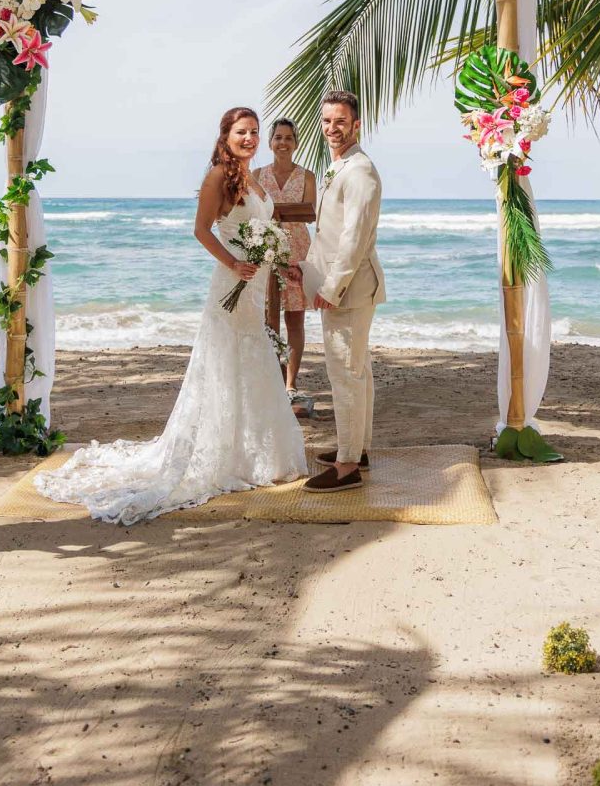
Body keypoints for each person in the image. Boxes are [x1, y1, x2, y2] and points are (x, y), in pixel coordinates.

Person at [34, 107, 307, 524]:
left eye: (254, 132)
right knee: (226, 361)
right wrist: (235, 263)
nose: (249, 138)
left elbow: (263, 229)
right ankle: (223, 452)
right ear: (226, 135)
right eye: (241, 132)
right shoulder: (218, 175)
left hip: (254, 286)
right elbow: (201, 229)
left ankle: (257, 451)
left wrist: (275, 258)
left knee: (254, 360)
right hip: (232, 282)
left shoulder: (252, 178)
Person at [290, 90, 385, 493]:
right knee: (357, 371)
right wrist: (306, 271)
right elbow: (327, 234)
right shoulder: (340, 166)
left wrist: (331, 287)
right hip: (340, 285)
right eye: (327, 121)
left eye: (340, 121)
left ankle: (347, 468)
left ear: (356, 123)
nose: (332, 128)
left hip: (349, 290)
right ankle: (357, 449)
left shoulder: (360, 170)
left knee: (345, 375)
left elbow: (354, 239)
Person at [256, 118, 317, 419]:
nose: (283, 143)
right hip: (265, 255)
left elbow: (310, 214)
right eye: (278, 137)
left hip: (296, 252)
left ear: (296, 143)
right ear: (270, 142)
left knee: (295, 320)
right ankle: (273, 380)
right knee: (268, 322)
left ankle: (291, 384)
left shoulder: (307, 177)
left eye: (288, 138)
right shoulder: (256, 175)